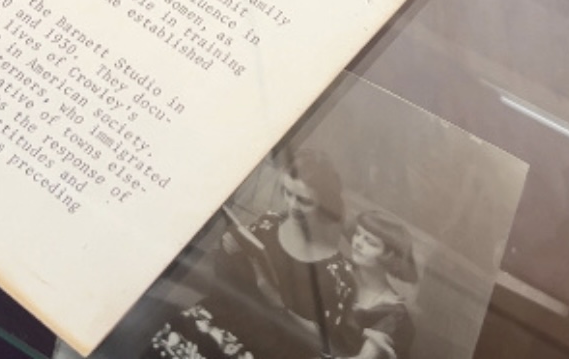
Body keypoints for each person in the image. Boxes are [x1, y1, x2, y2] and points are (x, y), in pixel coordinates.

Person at [145, 150, 347, 359]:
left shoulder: (336, 272)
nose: (292, 205)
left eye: (304, 200)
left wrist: (279, 305)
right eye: (288, 193)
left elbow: (322, 344)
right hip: (224, 313)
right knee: (175, 336)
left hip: (267, 346)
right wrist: (229, 250)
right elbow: (228, 282)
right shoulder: (269, 223)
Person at [317, 210, 417, 359]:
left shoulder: (395, 315)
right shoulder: (335, 270)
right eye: (358, 234)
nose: (358, 243)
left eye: (370, 242)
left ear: (388, 257)